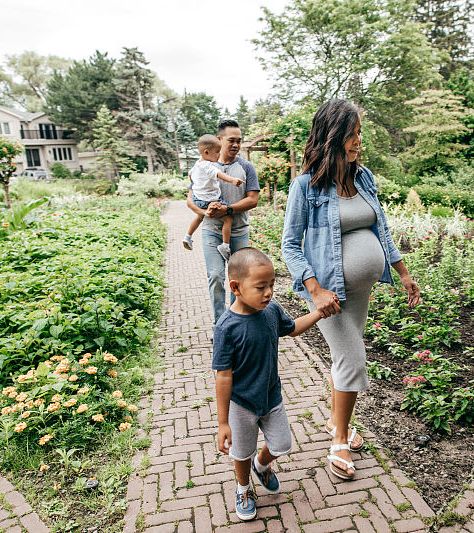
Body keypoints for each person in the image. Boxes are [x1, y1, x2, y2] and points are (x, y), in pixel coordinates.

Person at [281, 99, 421, 480]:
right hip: (328, 294)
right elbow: (290, 244)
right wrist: (315, 288)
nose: (360, 140)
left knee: (344, 359)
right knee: (353, 359)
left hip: (360, 291)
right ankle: (339, 439)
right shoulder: (305, 186)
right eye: (354, 133)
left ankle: (333, 422)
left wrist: (403, 272)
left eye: (360, 133)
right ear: (334, 136)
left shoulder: (364, 178)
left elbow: (382, 230)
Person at [213, 247, 323, 521]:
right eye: (261, 286)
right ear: (236, 287)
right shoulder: (227, 327)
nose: (269, 292)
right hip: (241, 403)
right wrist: (222, 422)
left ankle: (261, 466)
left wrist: (319, 313)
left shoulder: (271, 310)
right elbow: (223, 376)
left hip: (271, 397)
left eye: (272, 285)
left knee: (282, 444)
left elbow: (293, 328)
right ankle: (243, 487)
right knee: (241, 452)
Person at [187, 119, 260, 324]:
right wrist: (205, 212)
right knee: (216, 277)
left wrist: (227, 209)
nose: (236, 144)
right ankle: (220, 324)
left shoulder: (246, 167)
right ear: (219, 139)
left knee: (239, 281)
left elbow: (253, 199)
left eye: (239, 140)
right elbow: (190, 199)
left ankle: (235, 320)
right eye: (231, 140)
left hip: (238, 232)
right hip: (211, 231)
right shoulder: (204, 166)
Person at [182, 134, 246, 259]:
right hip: (210, 200)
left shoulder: (196, 165)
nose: (219, 155)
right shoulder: (208, 165)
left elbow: (190, 177)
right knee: (228, 219)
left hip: (198, 198)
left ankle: (188, 236)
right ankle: (225, 245)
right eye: (217, 152)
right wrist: (232, 180)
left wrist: (199, 186)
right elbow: (219, 174)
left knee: (200, 216)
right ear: (206, 152)